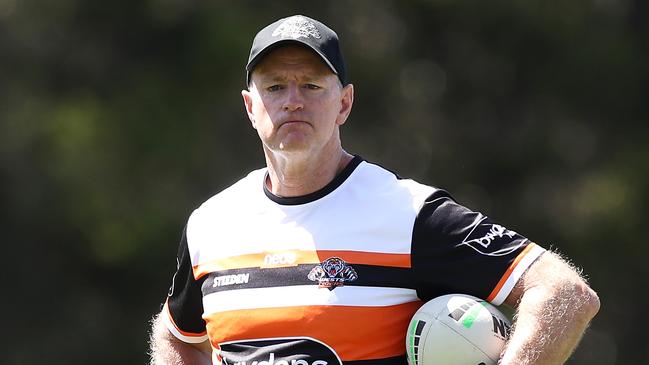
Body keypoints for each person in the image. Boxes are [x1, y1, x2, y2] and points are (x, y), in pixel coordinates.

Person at [149, 15, 599, 365]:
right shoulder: (211, 224)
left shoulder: (408, 213)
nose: (292, 100)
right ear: (251, 107)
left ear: (344, 102)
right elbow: (177, 336)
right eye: (274, 87)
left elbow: (564, 293)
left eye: (311, 85)